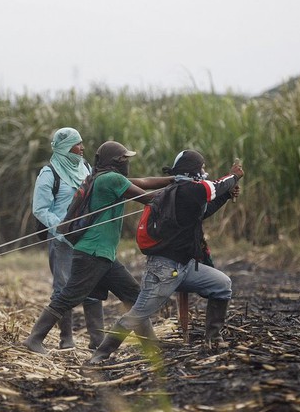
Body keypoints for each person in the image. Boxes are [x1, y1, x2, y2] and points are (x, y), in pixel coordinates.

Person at [89, 150, 244, 364]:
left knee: (222, 285)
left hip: (185, 267)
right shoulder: (190, 189)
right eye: (202, 167)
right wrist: (234, 176)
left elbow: (204, 211)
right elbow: (215, 187)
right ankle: (101, 353)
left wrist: (227, 195)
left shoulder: (184, 192)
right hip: (163, 270)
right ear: (194, 171)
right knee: (138, 315)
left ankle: (213, 339)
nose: (205, 171)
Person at [23, 140, 173, 354]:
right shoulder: (111, 179)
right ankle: (34, 339)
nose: (127, 163)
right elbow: (148, 197)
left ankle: (151, 345)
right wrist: (182, 189)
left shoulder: (101, 177)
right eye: (125, 159)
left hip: (104, 255)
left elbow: (143, 181)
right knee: (68, 297)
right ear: (116, 162)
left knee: (133, 295)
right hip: (92, 253)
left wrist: (173, 179)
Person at [32, 127, 105, 349]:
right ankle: (66, 340)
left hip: (86, 239)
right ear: (65, 147)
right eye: (77, 144)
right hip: (62, 242)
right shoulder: (49, 173)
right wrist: (63, 230)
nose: (82, 148)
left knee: (92, 286)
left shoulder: (85, 168)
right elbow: (40, 209)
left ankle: (97, 341)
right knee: (63, 288)